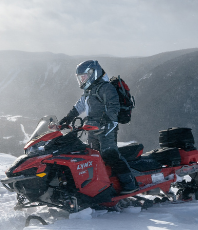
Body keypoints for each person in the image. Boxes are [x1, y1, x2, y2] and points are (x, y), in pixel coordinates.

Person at [58, 60, 139, 193]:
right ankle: (100, 185)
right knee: (94, 158)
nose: (82, 80)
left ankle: (130, 184)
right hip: (91, 128)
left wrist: (105, 120)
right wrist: (66, 119)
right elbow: (78, 107)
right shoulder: (89, 91)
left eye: (83, 77)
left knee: (110, 154)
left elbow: (114, 106)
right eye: (80, 78)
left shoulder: (106, 87)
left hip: (107, 128)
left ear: (92, 73)